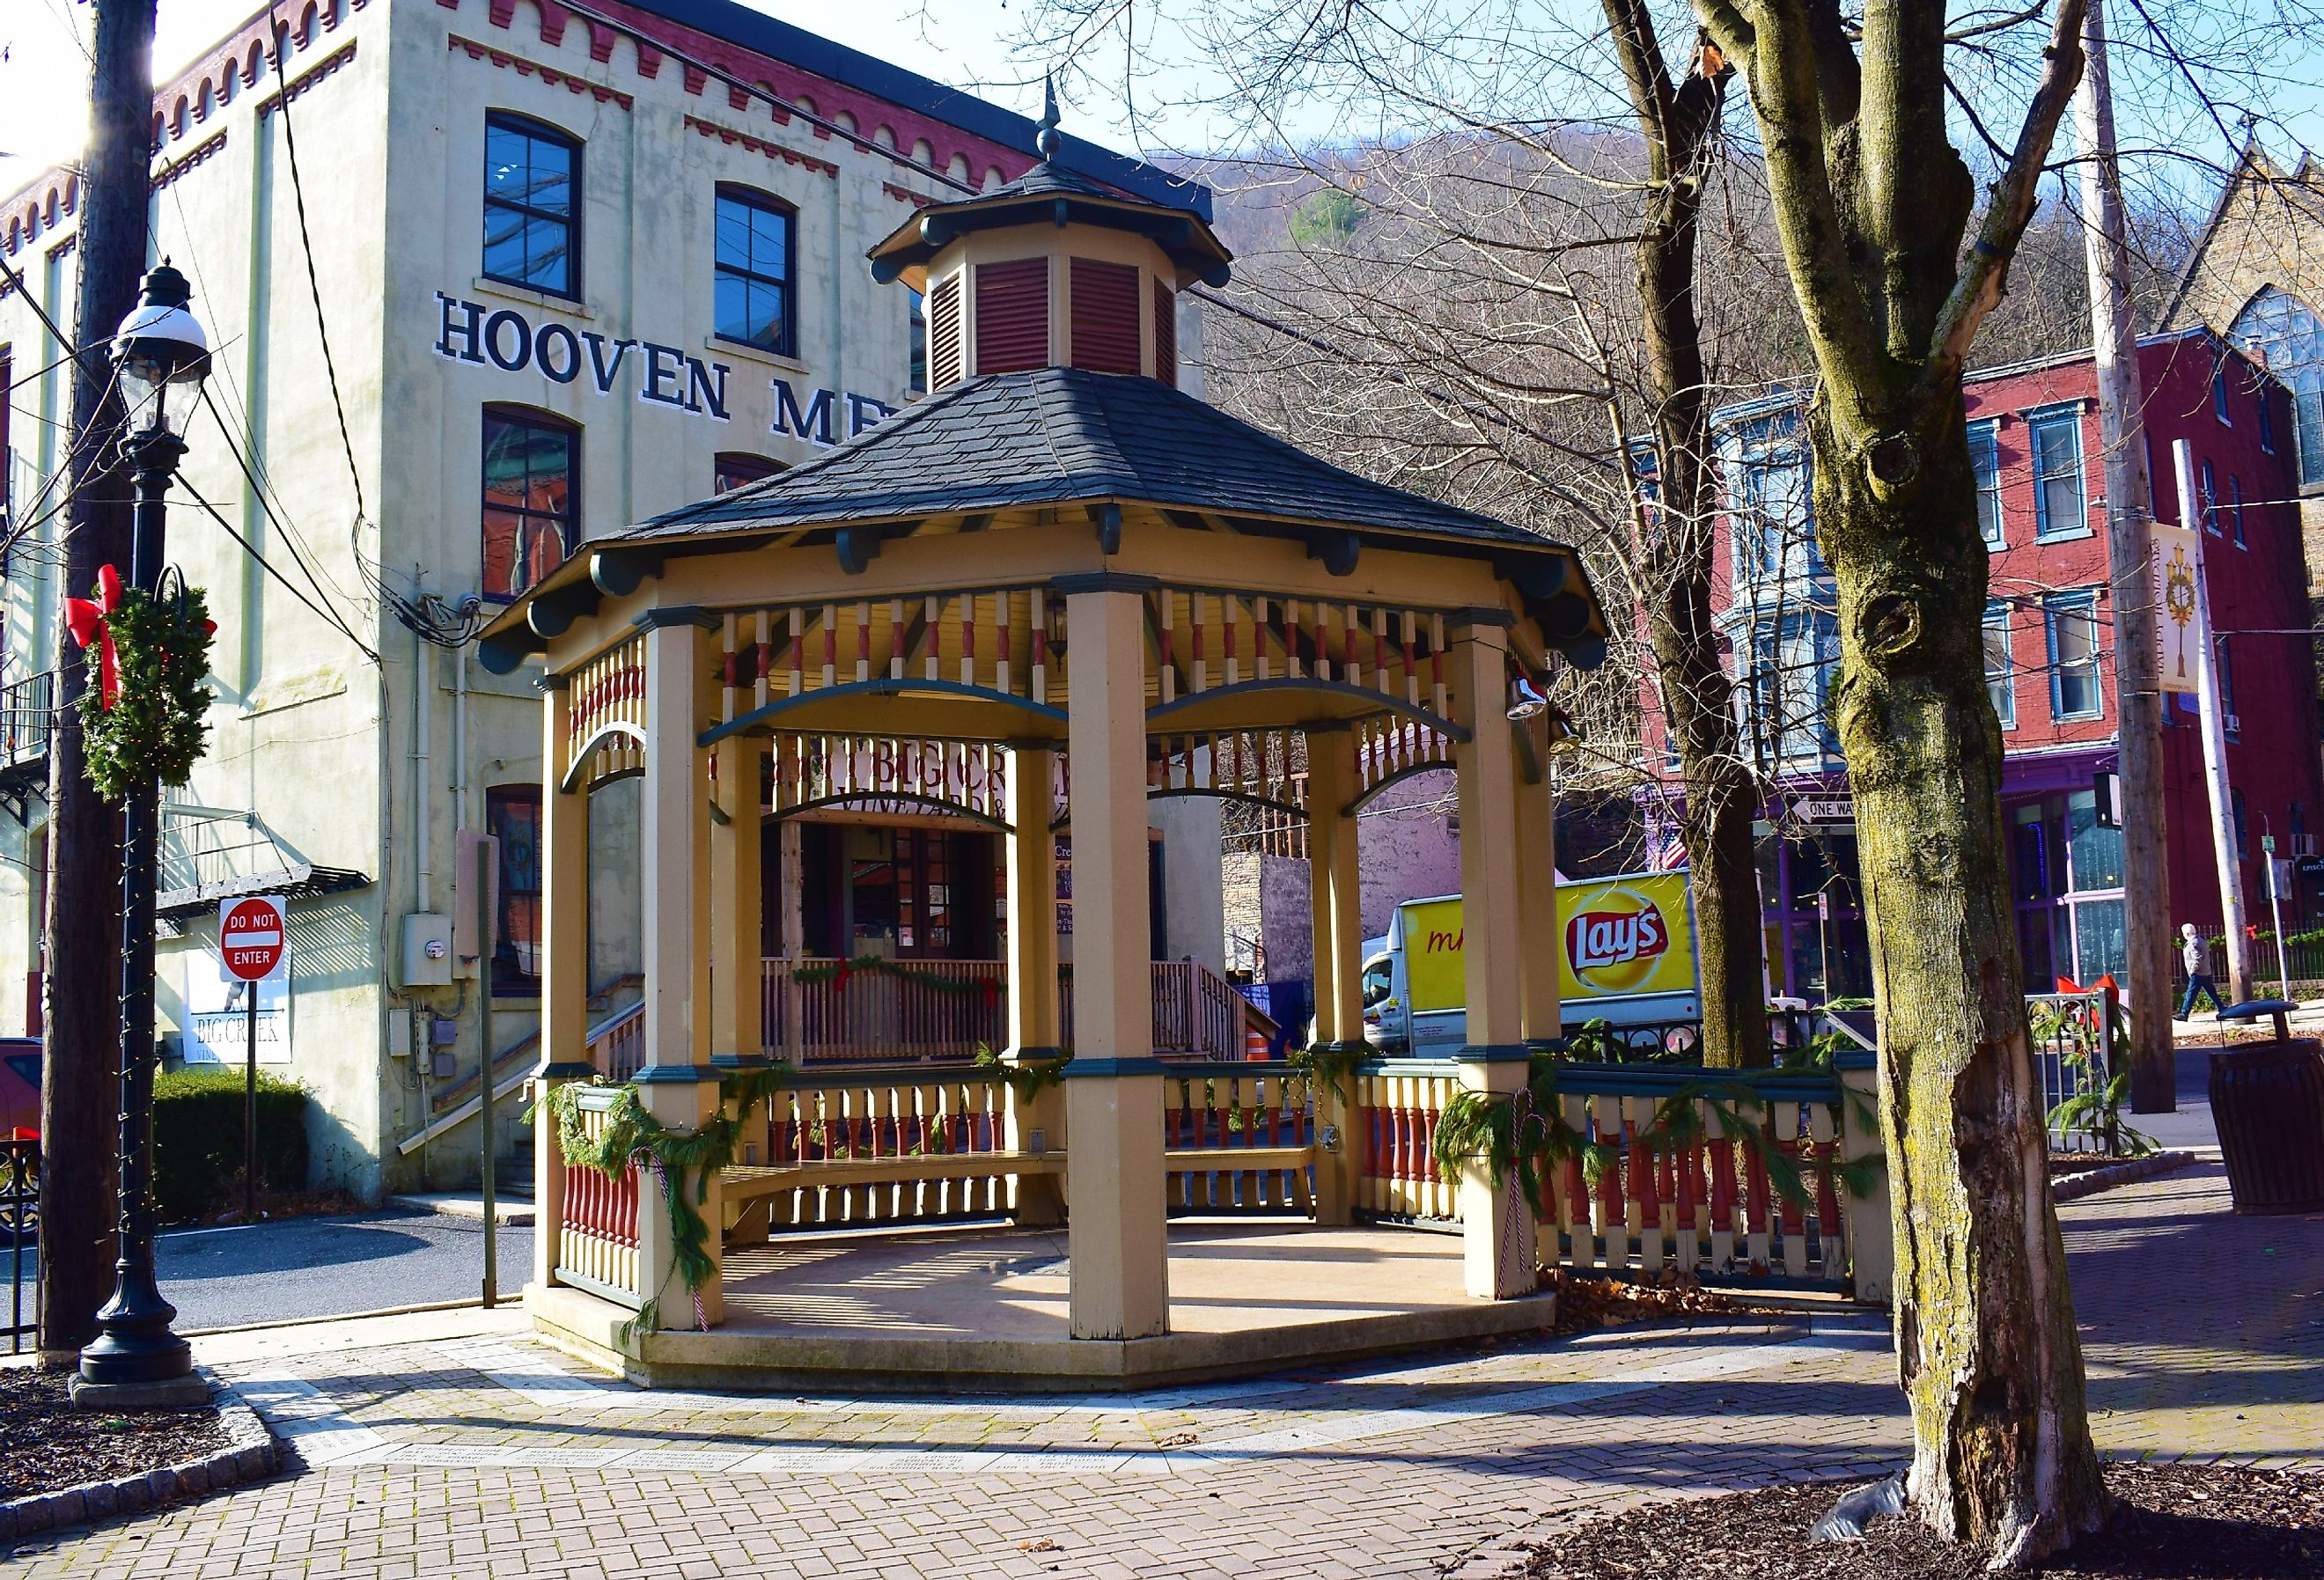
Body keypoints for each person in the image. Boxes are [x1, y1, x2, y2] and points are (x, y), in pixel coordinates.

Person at [2179, 922, 2226, 1019]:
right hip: (2206, 971)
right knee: (2211, 992)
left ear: (2186, 934)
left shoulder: (2193, 943)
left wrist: (2193, 970)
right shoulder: (2201, 940)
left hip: (2198, 973)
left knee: (2191, 993)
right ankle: (2222, 1009)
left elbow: (2197, 958)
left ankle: (2184, 1013)